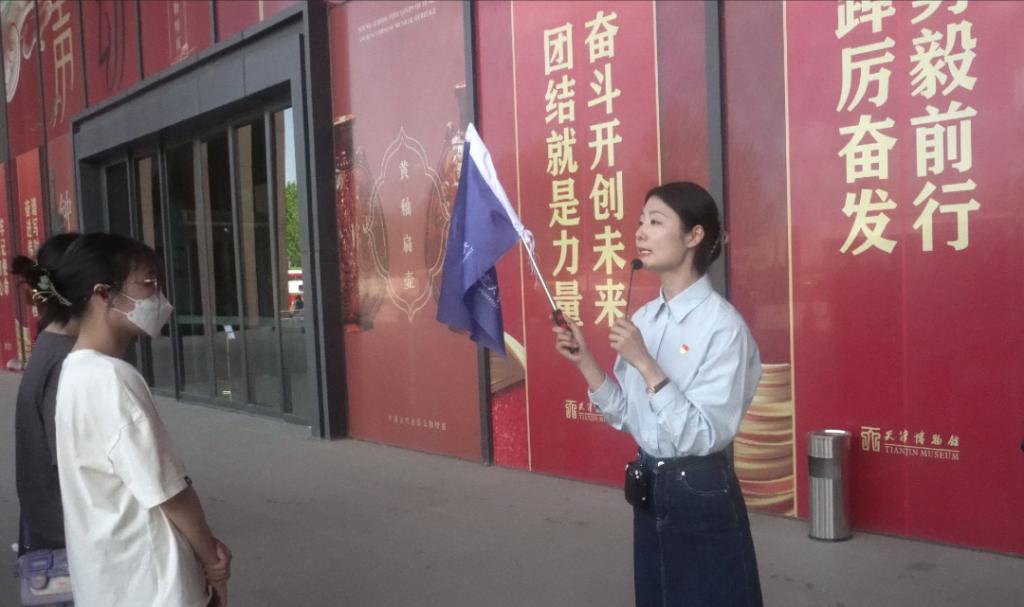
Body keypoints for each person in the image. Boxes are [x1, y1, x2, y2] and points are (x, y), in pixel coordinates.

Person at [553, 182, 763, 606]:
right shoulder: (646, 319)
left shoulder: (723, 328)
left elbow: (704, 436)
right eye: (640, 222)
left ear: (694, 235)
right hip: (649, 483)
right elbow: (627, 415)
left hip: (700, 489)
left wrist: (646, 363)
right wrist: (585, 360)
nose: (641, 232)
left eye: (655, 221)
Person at [49, 233, 232, 607]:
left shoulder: (75, 371)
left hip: (110, 581)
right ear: (103, 294)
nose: (158, 298)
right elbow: (169, 492)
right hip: (152, 584)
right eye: (148, 283)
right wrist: (211, 558)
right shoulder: (111, 378)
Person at [12, 234, 81, 578]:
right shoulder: (70, 361)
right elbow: (77, 464)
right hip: (67, 533)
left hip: (46, 520)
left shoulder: (50, 343)